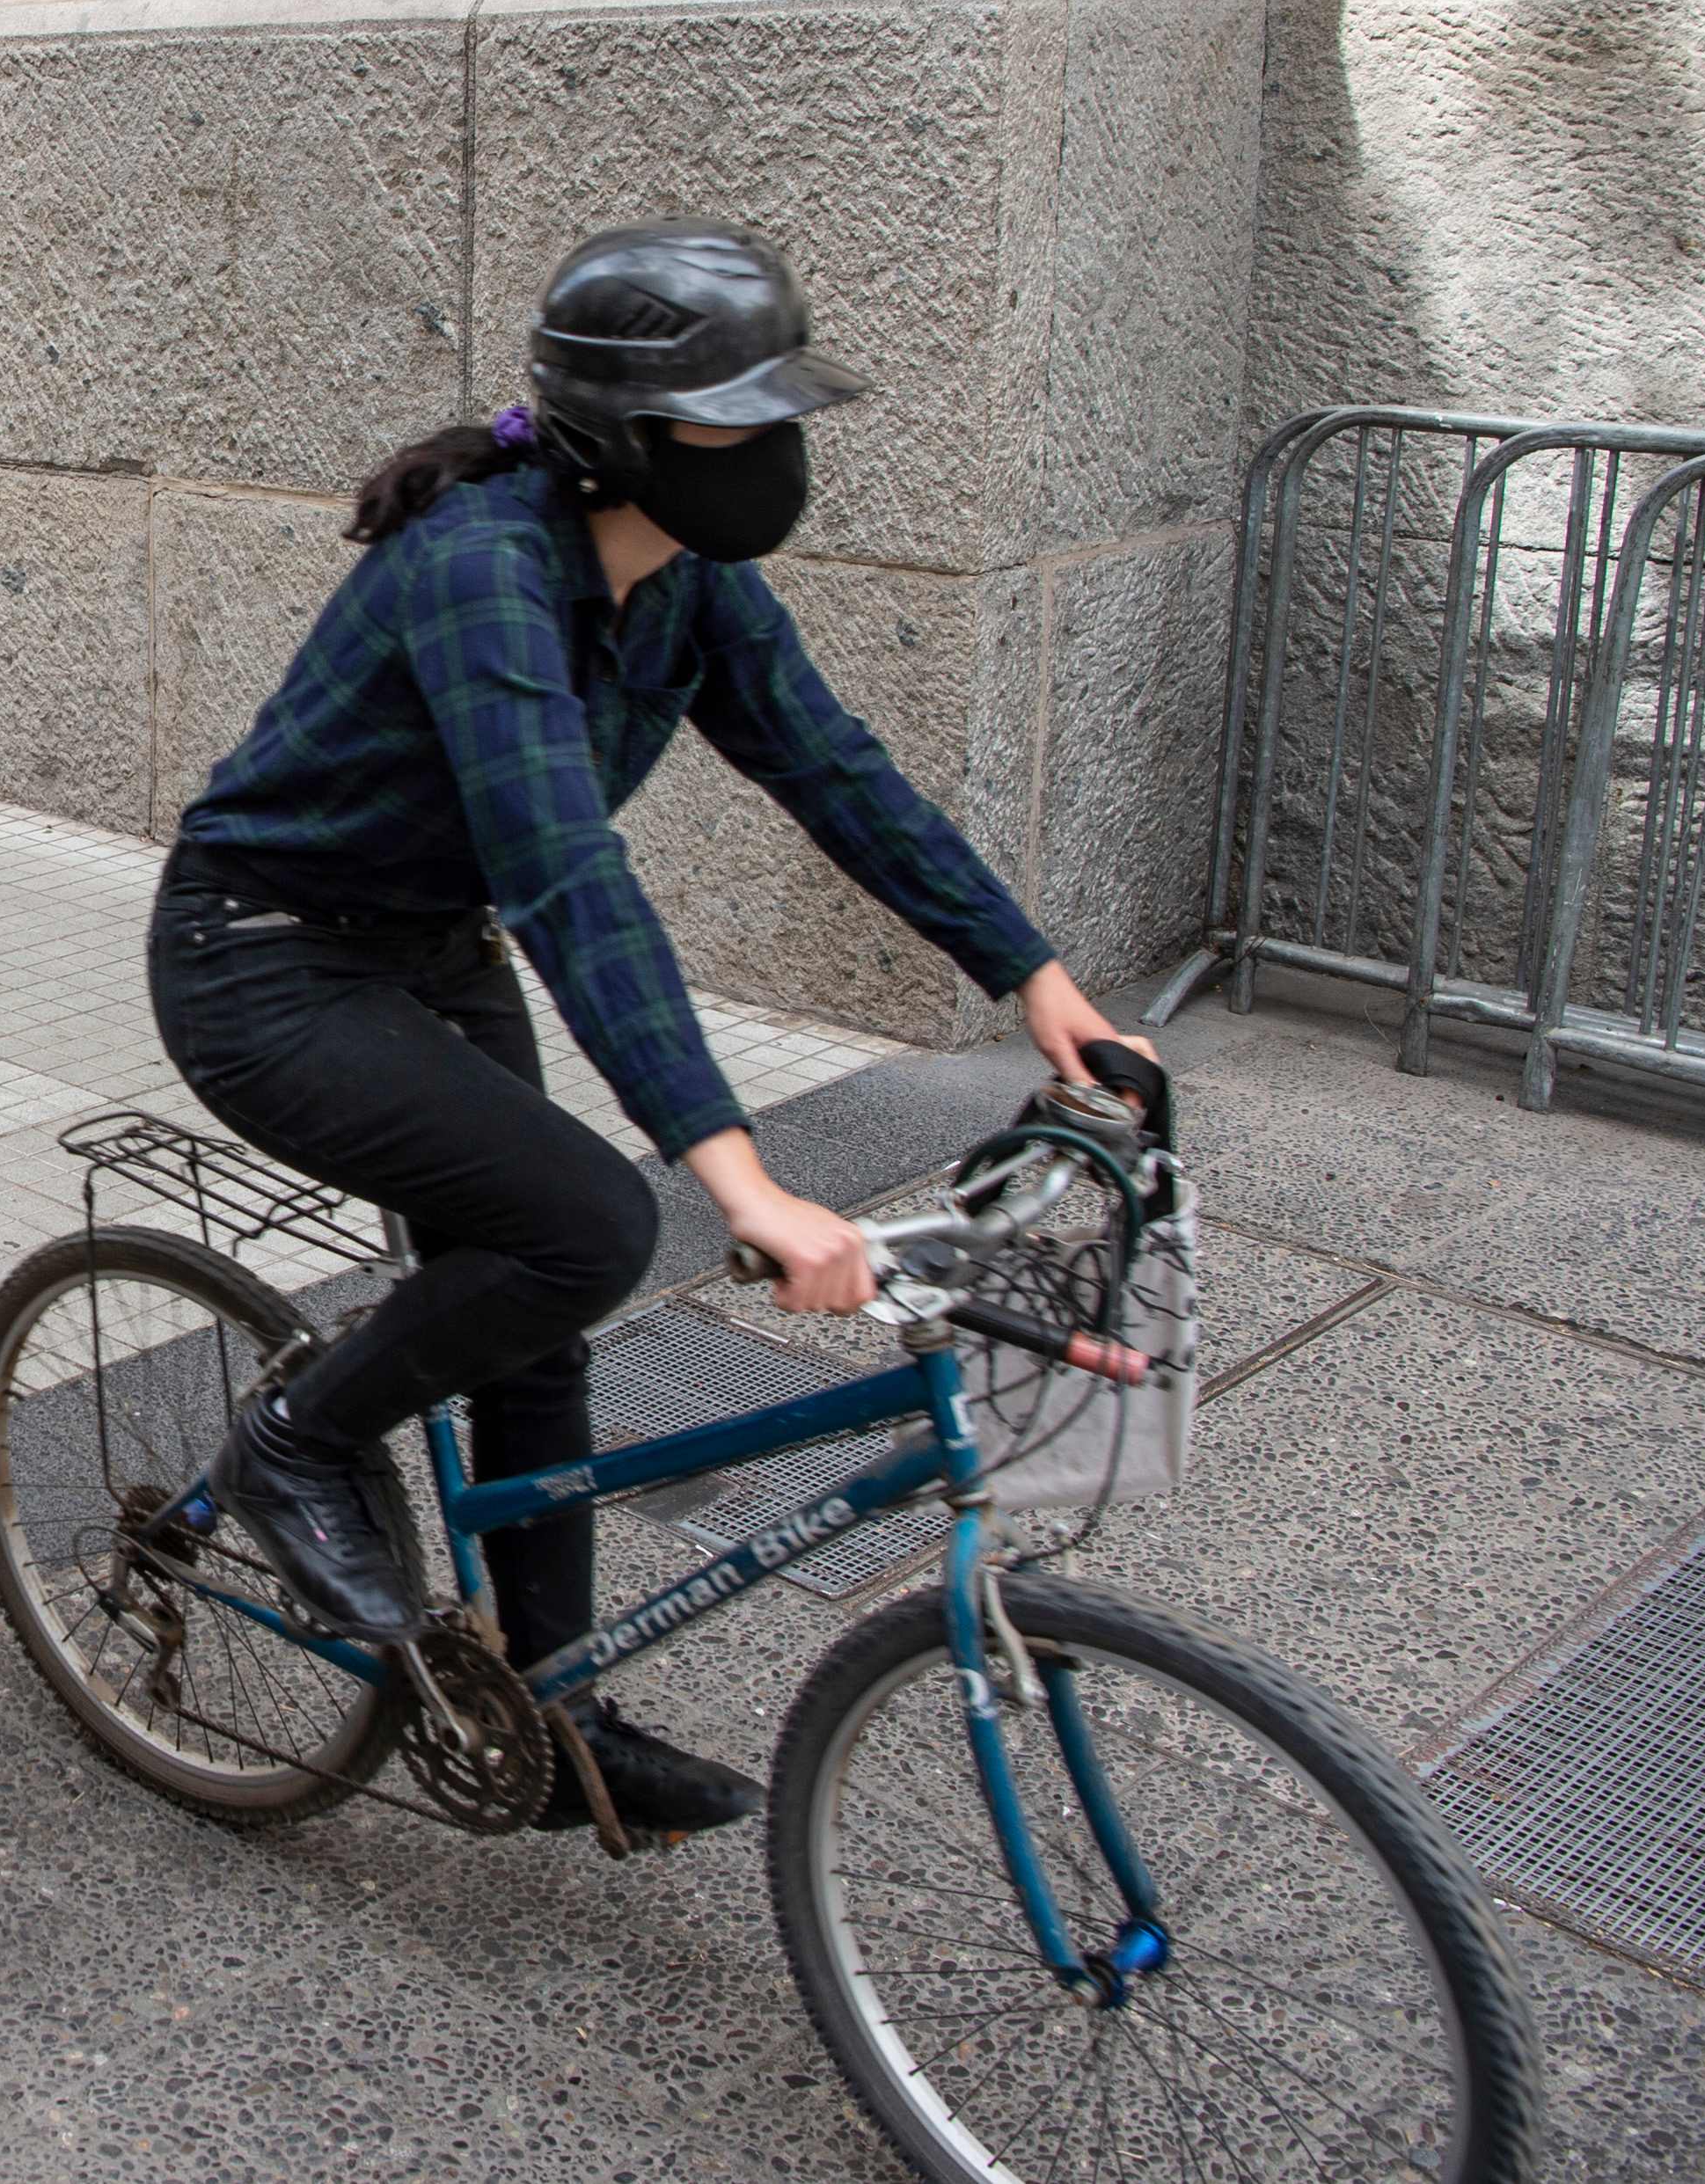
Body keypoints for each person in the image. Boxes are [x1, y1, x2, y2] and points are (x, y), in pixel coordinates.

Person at [160, 224, 1152, 1840]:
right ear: (621, 434)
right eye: (733, 423)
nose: (772, 455)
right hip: (264, 958)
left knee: (529, 1308)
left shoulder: (687, 585)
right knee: (591, 1223)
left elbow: (837, 772)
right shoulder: (481, 567)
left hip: (426, 945)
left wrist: (1037, 980)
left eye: (783, 418)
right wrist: (742, 1180)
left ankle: (552, 1713)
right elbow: (568, 874)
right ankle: (294, 1440)